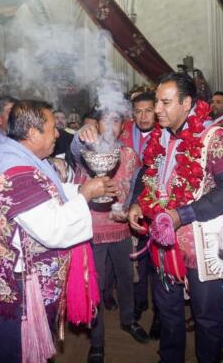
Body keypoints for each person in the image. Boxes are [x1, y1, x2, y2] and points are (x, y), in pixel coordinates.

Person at [0, 100, 116, 363]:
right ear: (32, 133)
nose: (58, 133)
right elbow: (53, 229)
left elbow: (49, 195)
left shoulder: (18, 158)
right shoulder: (15, 171)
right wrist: (84, 195)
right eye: (52, 127)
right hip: (21, 290)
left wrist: (82, 190)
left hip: (29, 282)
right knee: (16, 354)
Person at [128, 73, 223, 363]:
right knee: (167, 310)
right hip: (164, 239)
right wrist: (137, 204)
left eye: (165, 102)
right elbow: (148, 175)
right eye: (157, 101)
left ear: (187, 102)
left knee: (206, 315)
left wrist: (183, 215)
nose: (157, 109)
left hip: (202, 242)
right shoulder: (160, 136)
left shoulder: (214, 137)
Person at [72, 109, 149, 363]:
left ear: (122, 125)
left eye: (115, 121)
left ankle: (128, 320)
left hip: (120, 227)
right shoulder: (86, 149)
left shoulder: (128, 154)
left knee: (127, 279)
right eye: (104, 120)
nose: (110, 126)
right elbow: (73, 149)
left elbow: (138, 184)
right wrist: (80, 136)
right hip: (92, 230)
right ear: (96, 124)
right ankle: (96, 340)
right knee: (95, 285)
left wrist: (130, 206)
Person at [119, 91, 157, 323]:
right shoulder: (123, 131)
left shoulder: (165, 134)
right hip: (129, 204)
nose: (143, 116)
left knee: (158, 260)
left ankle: (160, 317)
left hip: (155, 204)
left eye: (148, 110)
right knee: (136, 257)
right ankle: (139, 302)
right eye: (138, 111)